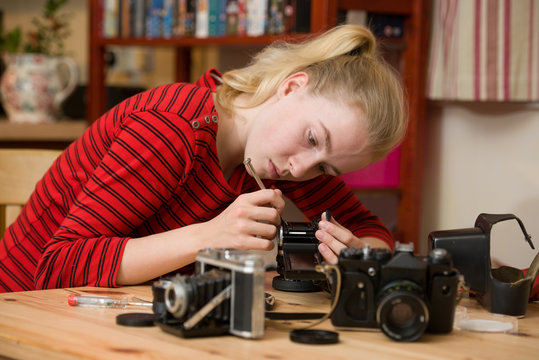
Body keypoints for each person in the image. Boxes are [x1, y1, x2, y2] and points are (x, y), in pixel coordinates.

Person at [0, 24, 406, 293]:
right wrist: (209, 235)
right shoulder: (171, 130)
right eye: (313, 138)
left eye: (325, 167)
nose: (302, 169)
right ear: (290, 87)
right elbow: (58, 267)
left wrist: (355, 253)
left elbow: (368, 227)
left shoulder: (274, 157)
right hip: (24, 312)